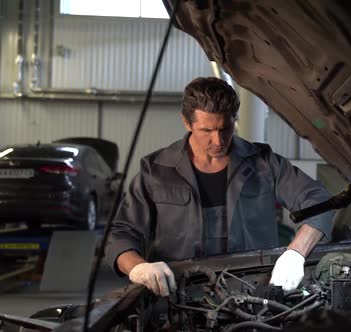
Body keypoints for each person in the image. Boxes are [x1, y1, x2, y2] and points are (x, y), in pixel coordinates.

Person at [105, 77, 334, 297]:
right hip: (179, 295)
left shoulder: (264, 163)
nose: (218, 141)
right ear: (187, 123)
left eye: (225, 128)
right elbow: (122, 233)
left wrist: (295, 253)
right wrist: (138, 268)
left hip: (255, 293)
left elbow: (319, 201)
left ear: (234, 119)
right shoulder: (156, 170)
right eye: (207, 131)